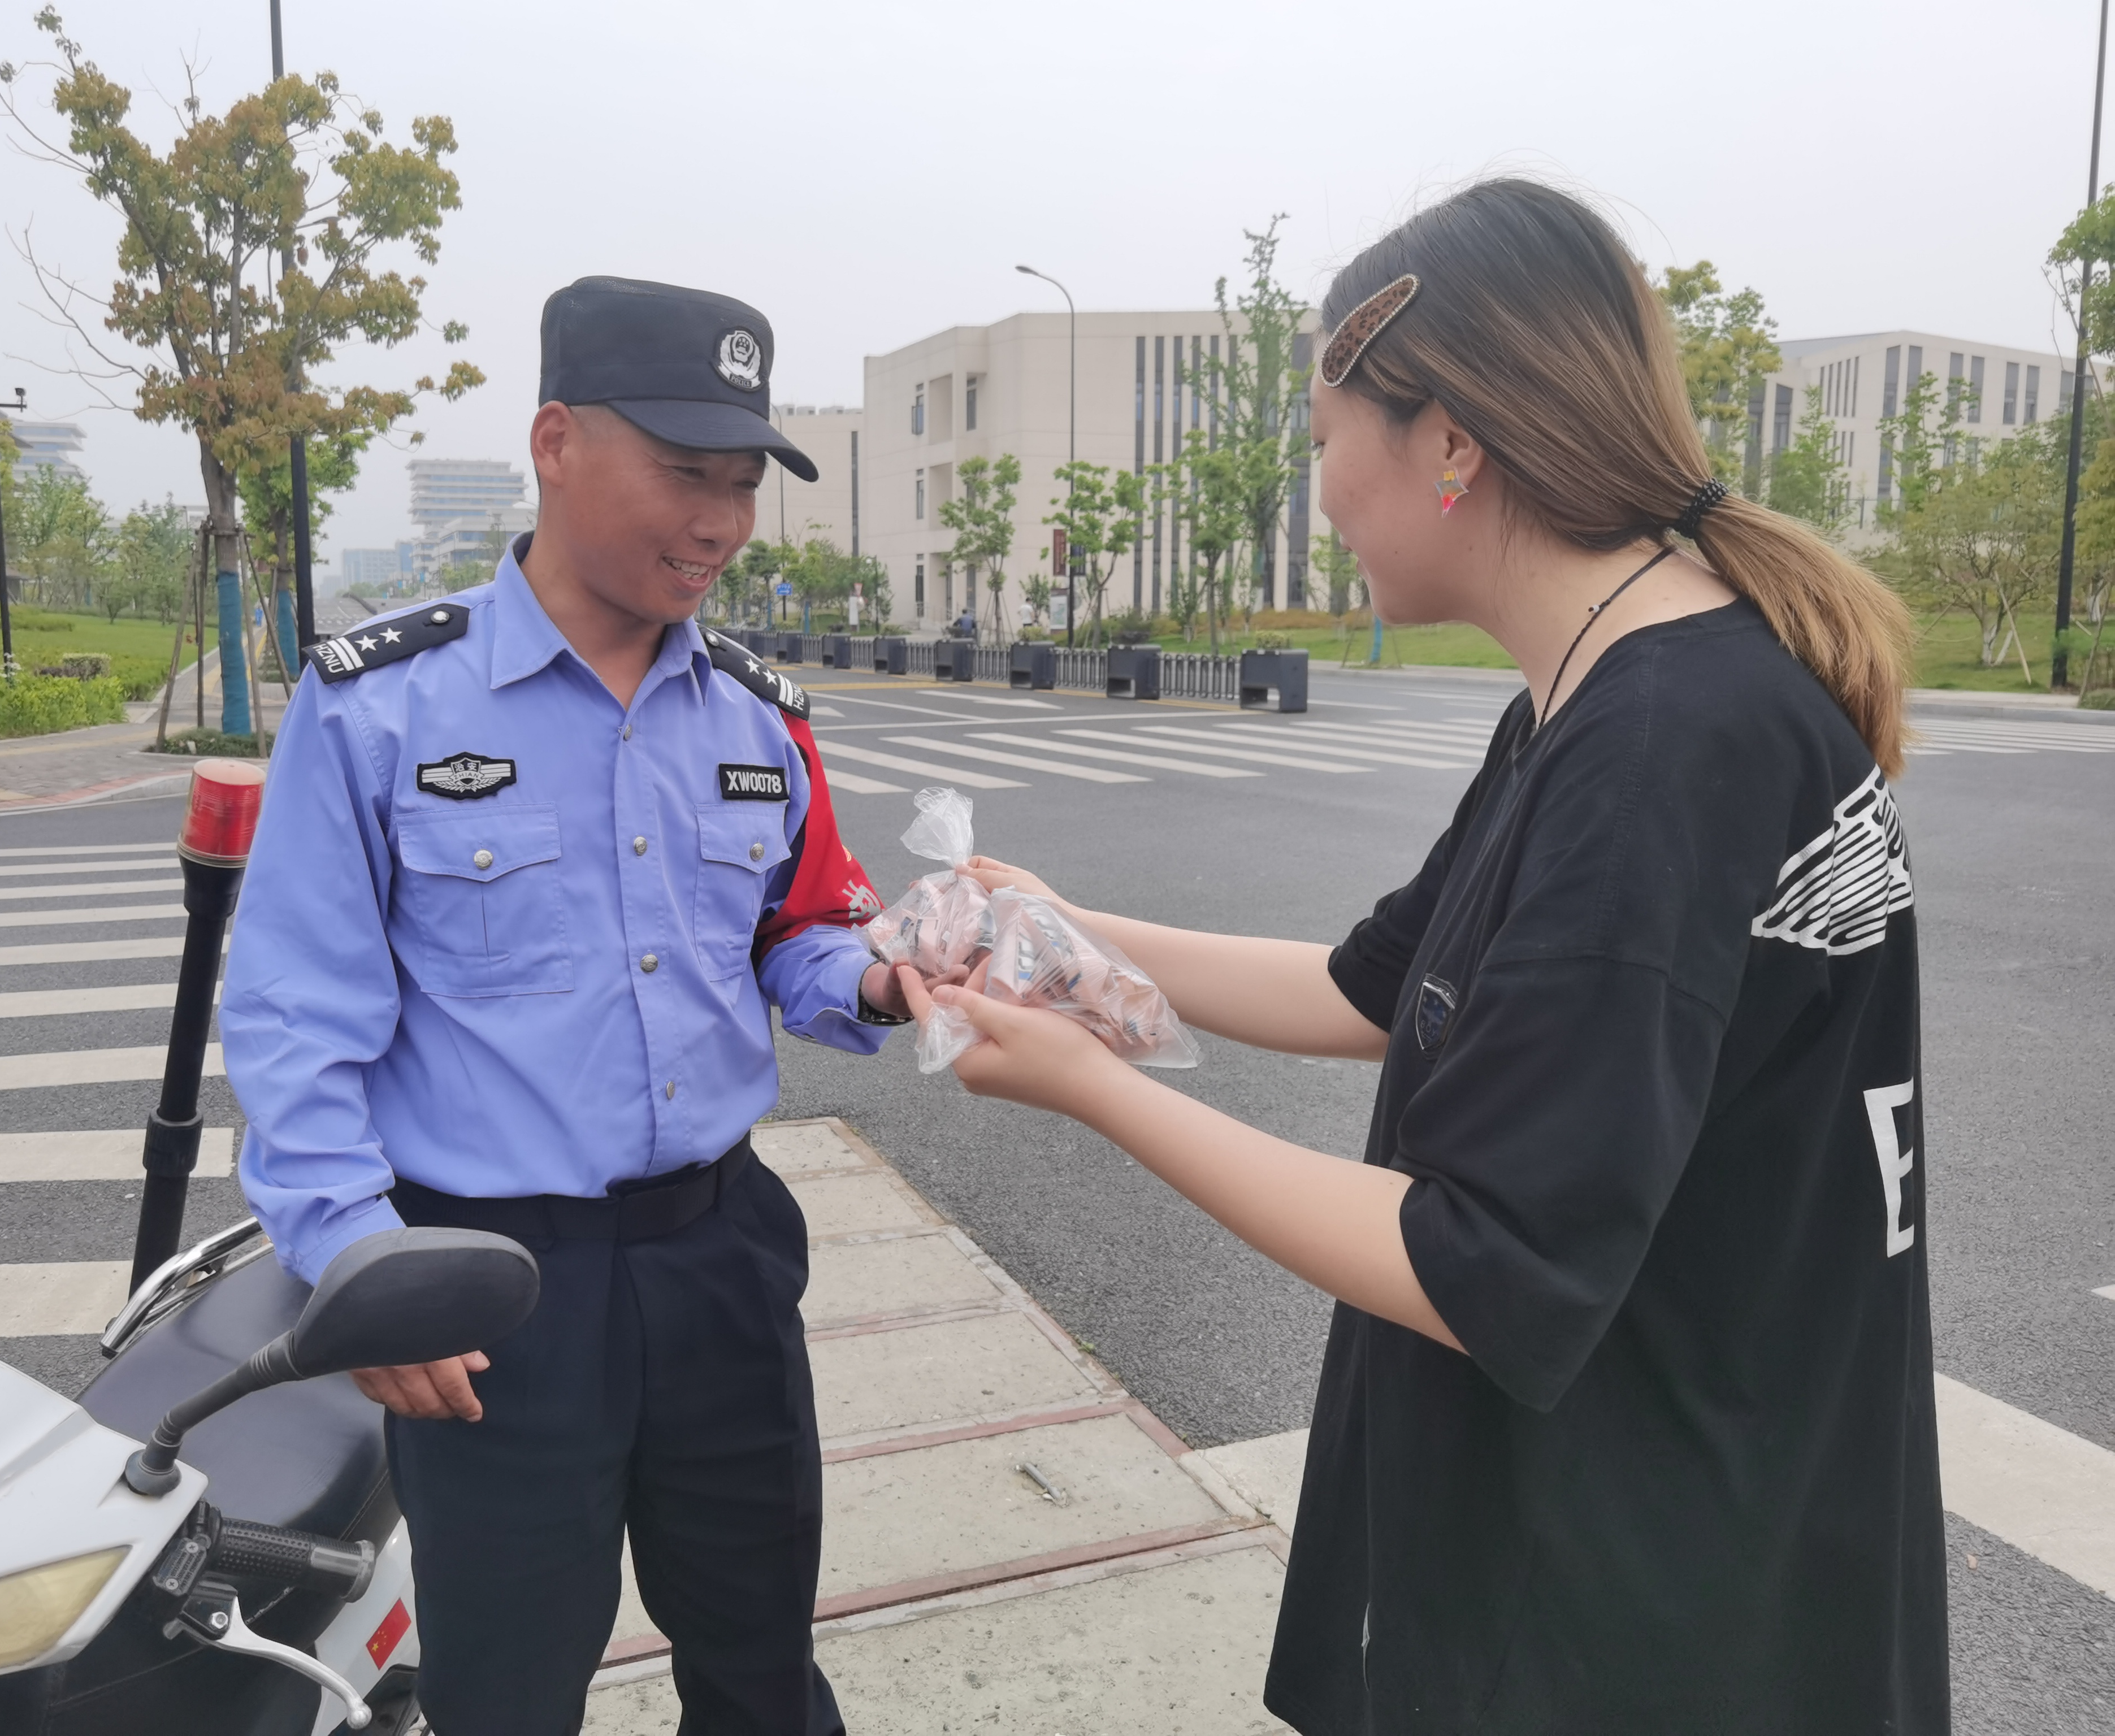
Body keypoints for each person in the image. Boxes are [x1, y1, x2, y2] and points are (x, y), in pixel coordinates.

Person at [899, 180, 1945, 1734]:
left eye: (1327, 437)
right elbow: (1374, 987)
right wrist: (1064, 929)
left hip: (1641, 1598)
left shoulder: (1657, 745)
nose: (1319, 490)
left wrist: (1094, 1087)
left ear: (1449, 441)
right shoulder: (1612, 695)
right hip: (1703, 1519)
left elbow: (1484, 1263)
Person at [222, 276, 965, 1735]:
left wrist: (887, 979)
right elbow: (297, 1017)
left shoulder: (761, 720)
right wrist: (359, 1264)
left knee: (762, 1669)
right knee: (507, 1692)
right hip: (491, 1292)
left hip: (722, 1266)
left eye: (743, 483)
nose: (721, 524)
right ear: (556, 442)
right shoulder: (380, 707)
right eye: (687, 473)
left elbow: (797, 934)